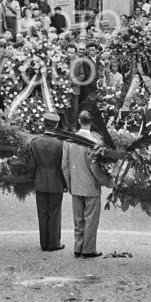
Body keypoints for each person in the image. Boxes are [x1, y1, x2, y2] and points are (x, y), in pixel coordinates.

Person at [61, 110, 107, 258]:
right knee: (91, 220)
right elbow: (95, 167)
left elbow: (65, 165)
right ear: (91, 123)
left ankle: (78, 247)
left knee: (78, 219)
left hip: (76, 184)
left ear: (79, 121)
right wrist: (106, 182)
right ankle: (88, 249)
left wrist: (69, 183)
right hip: (91, 185)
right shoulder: (96, 142)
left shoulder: (69, 140)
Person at [29, 111, 67, 252]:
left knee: (42, 212)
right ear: (56, 125)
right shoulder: (59, 144)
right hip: (56, 180)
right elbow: (62, 166)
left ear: (44, 124)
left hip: (40, 180)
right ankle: (53, 242)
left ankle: (44, 243)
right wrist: (65, 183)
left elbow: (31, 165)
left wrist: (33, 178)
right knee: (55, 212)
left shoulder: (35, 142)